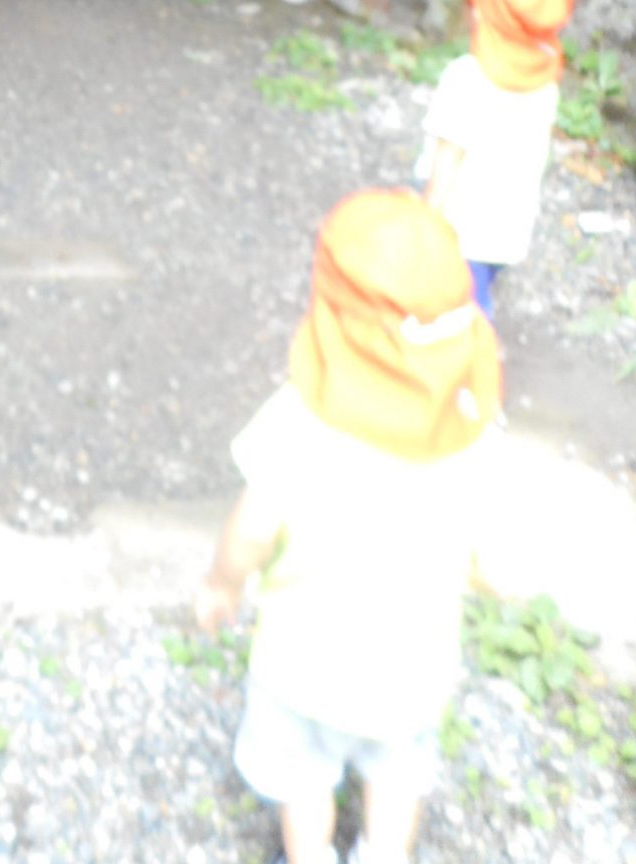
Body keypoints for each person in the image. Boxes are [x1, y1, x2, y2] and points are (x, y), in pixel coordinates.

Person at [196, 189, 502, 864]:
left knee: (303, 781)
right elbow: (490, 553)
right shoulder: (468, 437)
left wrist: (222, 585)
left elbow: (252, 528)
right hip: (413, 675)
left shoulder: (297, 424)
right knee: (397, 777)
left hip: (301, 671)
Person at [421, 0, 575, 318]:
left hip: (460, 230)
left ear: (480, 13)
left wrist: (423, 231)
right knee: (476, 288)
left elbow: (445, 171)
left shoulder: (465, 79)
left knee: (461, 311)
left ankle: (472, 345)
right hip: (509, 227)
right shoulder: (546, 78)